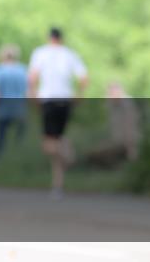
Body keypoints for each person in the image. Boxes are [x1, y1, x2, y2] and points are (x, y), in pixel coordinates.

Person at [28, 27, 88, 199]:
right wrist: (78, 95)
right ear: (61, 39)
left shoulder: (40, 53)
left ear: (49, 38)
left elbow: (32, 77)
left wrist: (33, 95)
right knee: (58, 139)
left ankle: (68, 157)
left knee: (49, 144)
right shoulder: (70, 54)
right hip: (65, 100)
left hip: (48, 100)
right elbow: (84, 78)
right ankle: (57, 185)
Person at [0, 44, 28, 158]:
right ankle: (18, 154)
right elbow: (27, 90)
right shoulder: (22, 69)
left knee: (1, 134)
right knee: (19, 133)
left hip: (3, 106)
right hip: (19, 106)